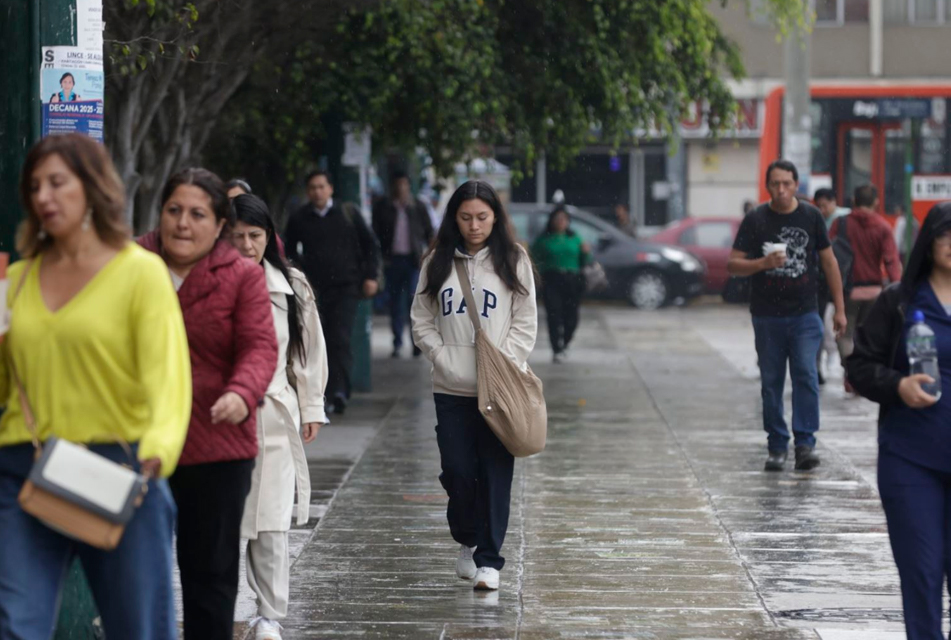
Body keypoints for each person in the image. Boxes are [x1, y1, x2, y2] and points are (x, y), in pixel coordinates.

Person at [0, 134, 191, 639]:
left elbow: (168, 377)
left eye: (57, 183)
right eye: (35, 185)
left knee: (138, 629)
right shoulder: (14, 282)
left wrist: (159, 448)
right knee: (15, 625)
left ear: (92, 188)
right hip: (24, 467)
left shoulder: (140, 273)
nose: (44, 196)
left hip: (122, 469)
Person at [139, 168, 278, 640]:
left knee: (209, 577)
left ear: (219, 224)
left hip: (217, 444)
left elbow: (259, 346)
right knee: (136, 573)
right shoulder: (133, 263)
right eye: (174, 211)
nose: (182, 223)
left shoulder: (240, 275)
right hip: (137, 439)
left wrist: (242, 392)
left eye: (198, 214)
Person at [411, 180, 537, 592]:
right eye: (465, 217)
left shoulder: (513, 260)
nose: (474, 225)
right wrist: (440, 355)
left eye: (482, 217)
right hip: (450, 387)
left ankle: (490, 559)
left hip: (498, 386)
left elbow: (525, 319)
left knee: (496, 472)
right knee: (459, 472)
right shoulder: (437, 261)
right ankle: (466, 537)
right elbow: (421, 317)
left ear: (496, 218)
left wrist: (507, 361)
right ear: (454, 218)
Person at [848, 202, 951, 640]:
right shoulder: (900, 302)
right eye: (947, 235)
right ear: (929, 242)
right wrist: (897, 386)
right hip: (911, 460)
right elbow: (860, 366)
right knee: (923, 572)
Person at [230, 194, 328, 640]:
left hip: (272, 412)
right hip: (217, 417)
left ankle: (269, 612)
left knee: (270, 520)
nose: (248, 245)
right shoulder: (205, 283)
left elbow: (308, 352)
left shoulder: (292, 286)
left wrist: (311, 406)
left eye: (255, 236)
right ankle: (222, 606)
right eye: (238, 237)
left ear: (269, 237)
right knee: (225, 520)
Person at [728, 159, 847, 472]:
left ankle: (805, 443)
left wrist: (840, 308)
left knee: (806, 374)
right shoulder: (755, 219)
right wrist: (761, 264)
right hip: (766, 315)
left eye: (787, 184)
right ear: (768, 186)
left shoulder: (811, 216)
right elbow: (733, 264)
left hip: (805, 314)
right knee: (771, 382)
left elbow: (830, 263)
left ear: (796, 186)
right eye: (775, 184)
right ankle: (777, 445)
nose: (781, 190)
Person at [284, 170, 381, 415]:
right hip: (314, 289)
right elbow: (288, 251)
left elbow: (370, 245)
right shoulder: (300, 218)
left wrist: (370, 275)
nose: (317, 192)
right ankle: (320, 392)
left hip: (346, 287)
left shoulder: (348, 214)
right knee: (317, 340)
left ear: (330, 189)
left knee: (340, 339)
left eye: (321, 186)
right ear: (308, 192)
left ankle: (339, 391)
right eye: (313, 188)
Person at [830, 185, 901, 391]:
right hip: (875, 293)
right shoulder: (883, 226)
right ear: (876, 202)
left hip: (848, 291)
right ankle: (861, 375)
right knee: (867, 337)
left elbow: (828, 254)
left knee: (844, 335)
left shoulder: (841, 223)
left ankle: (852, 373)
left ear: (853, 201)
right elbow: (891, 260)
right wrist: (899, 288)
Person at [372, 171, 435, 358]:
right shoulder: (384, 207)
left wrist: (427, 256)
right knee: (394, 303)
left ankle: (416, 343)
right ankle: (397, 342)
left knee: (413, 301)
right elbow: (375, 233)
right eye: (398, 185)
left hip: (413, 261)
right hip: (392, 261)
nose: (401, 189)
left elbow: (430, 232)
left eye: (404, 185)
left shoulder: (417, 207)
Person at [532, 205, 591, 363]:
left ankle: (565, 342)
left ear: (568, 222)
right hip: (551, 280)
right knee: (554, 315)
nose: (560, 222)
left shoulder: (575, 238)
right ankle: (556, 349)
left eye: (564, 219)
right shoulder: (544, 239)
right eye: (557, 219)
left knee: (572, 316)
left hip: (572, 280)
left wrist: (586, 252)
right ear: (551, 221)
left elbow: (585, 261)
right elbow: (533, 260)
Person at [813, 188, 848, 384]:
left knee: (822, 324)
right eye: (819, 206)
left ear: (834, 202)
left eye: (824, 205)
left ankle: (819, 365)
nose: (822, 210)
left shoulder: (840, 220)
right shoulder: (823, 219)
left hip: (831, 280)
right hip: (837, 281)